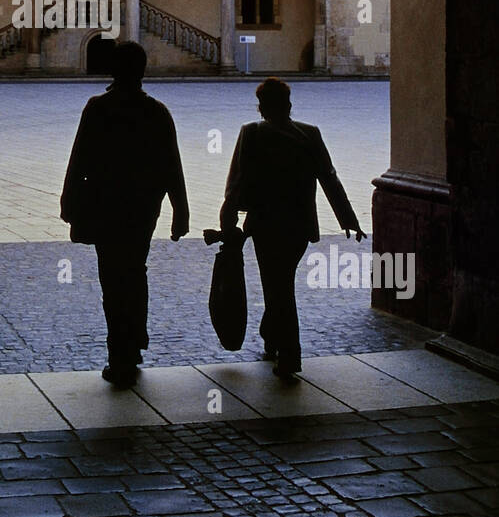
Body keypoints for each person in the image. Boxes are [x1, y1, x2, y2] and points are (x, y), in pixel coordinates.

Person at [60, 41, 189, 387]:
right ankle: (134, 344)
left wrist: (68, 201)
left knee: (113, 279)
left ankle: (120, 352)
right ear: (142, 71)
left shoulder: (99, 107)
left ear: (114, 71)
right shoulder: (157, 111)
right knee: (135, 271)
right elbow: (171, 165)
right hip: (143, 206)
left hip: (106, 204)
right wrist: (181, 210)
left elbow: (80, 157)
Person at [219, 76, 364, 379]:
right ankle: (272, 338)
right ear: (289, 104)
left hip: (264, 223)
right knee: (281, 283)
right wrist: (348, 218)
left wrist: (228, 220)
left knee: (278, 287)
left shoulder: (251, 134)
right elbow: (329, 178)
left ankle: (289, 354)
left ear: (261, 107)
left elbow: (236, 181)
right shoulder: (309, 134)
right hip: (298, 226)